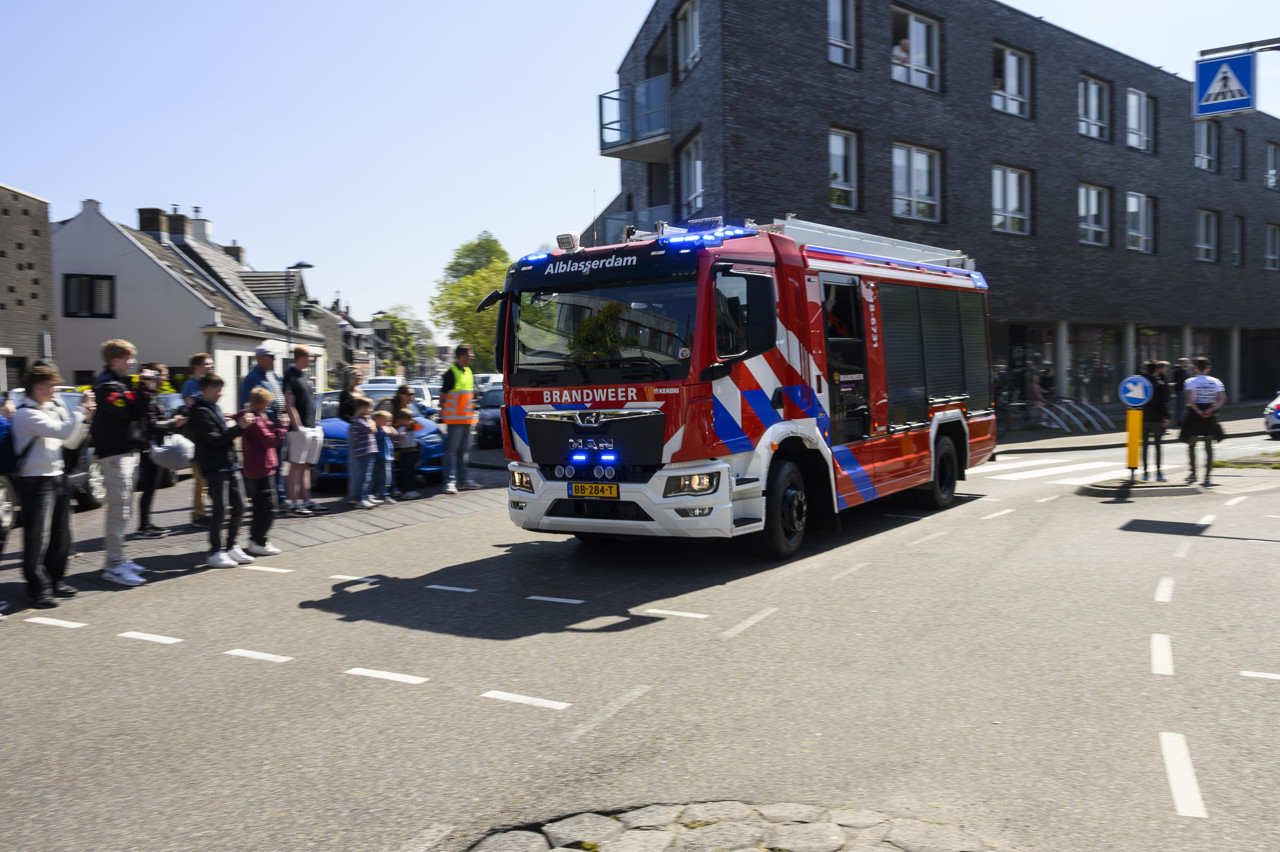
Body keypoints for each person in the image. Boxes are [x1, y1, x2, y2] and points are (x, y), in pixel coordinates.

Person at [11, 365, 94, 608]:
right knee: (37, 537)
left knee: (61, 535)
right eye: (47, 386)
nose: (52, 390)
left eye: (52, 385)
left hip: (56, 476)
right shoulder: (27, 413)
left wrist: (85, 418)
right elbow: (62, 430)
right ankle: (37, 590)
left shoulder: (46, 408)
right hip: (35, 480)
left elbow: (69, 440)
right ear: (35, 388)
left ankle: (55, 581)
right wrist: (80, 409)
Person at [91, 338, 156, 587]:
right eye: (130, 358)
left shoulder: (120, 383)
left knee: (125, 508)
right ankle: (113, 565)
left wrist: (144, 388)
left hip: (127, 453)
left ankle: (118, 558)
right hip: (115, 455)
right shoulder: (107, 387)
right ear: (116, 360)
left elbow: (140, 410)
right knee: (119, 509)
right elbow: (131, 411)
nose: (134, 362)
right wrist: (145, 388)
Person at [189, 373, 255, 568]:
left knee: (241, 505)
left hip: (229, 463)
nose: (221, 393)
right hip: (214, 466)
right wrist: (239, 427)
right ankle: (214, 551)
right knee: (220, 509)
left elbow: (223, 434)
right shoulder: (199, 411)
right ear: (207, 389)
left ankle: (231, 545)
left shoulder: (213, 407)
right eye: (218, 389)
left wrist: (238, 426)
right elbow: (214, 439)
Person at [136, 363, 186, 538]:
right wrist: (174, 422)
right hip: (149, 448)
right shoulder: (146, 396)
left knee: (151, 488)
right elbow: (151, 425)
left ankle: (146, 523)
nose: (166, 378)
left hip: (154, 446)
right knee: (149, 488)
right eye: (163, 375)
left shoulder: (152, 395)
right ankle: (143, 527)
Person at [241, 387, 289, 557]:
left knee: (259, 508)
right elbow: (270, 440)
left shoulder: (252, 416)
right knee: (269, 508)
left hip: (257, 468)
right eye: (268, 401)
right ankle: (259, 541)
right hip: (261, 469)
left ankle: (256, 540)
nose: (270, 404)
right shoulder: (256, 420)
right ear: (261, 403)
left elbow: (241, 414)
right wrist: (282, 428)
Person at [283, 346, 326, 517]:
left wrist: (314, 423)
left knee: (305, 466)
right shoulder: (290, 376)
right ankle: (294, 503)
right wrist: (297, 426)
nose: (313, 358)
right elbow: (289, 404)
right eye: (310, 356)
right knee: (296, 465)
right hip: (299, 430)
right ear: (301, 357)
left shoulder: (305, 375)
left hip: (310, 426)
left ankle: (306, 500)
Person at [1178, 357, 1226, 487]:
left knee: (1191, 445)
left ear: (1195, 368)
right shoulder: (1216, 381)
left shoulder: (1190, 381)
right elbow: (1222, 399)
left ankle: (1193, 473)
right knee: (1208, 446)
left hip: (1194, 415)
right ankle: (1208, 475)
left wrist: (1198, 411)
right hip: (1209, 414)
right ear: (1208, 368)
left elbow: (1188, 400)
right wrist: (1210, 409)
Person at [440, 344, 481, 494]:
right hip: (455, 420)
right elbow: (442, 398)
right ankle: (449, 482)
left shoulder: (469, 372)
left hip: (467, 420)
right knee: (451, 452)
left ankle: (463, 481)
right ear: (462, 356)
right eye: (470, 354)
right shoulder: (451, 373)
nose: (472, 356)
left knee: (463, 452)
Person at [181, 352, 214, 526]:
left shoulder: (209, 382)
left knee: (208, 478)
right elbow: (190, 408)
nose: (211, 366)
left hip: (209, 436)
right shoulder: (190, 385)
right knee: (200, 478)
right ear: (197, 366)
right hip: (196, 437)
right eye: (207, 364)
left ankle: (205, 511)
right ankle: (198, 515)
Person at [1140, 360, 1170, 482]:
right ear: (1156, 370)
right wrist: (1166, 417)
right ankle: (1159, 473)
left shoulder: (1139, 383)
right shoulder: (1159, 384)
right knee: (1158, 447)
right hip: (1157, 419)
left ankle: (1145, 473)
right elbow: (1162, 403)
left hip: (1143, 418)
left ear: (1146, 370)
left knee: (1145, 447)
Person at [347, 397, 378, 509]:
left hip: (368, 451)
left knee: (367, 477)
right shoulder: (358, 421)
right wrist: (371, 420)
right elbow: (372, 429)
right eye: (369, 408)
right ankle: (358, 499)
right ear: (362, 408)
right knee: (362, 477)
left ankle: (365, 496)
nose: (371, 411)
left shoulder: (362, 420)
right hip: (363, 453)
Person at [393, 407, 422, 500]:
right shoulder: (402, 428)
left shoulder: (412, 427)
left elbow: (420, 428)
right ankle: (406, 491)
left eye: (411, 419)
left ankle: (411, 489)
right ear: (401, 420)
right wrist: (404, 428)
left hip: (413, 452)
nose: (410, 421)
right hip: (405, 453)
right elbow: (398, 436)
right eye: (407, 420)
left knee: (411, 472)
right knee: (405, 473)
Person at [370, 410, 397, 505]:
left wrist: (389, 427)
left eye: (389, 421)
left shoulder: (386, 431)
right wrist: (385, 430)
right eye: (385, 421)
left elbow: (395, 433)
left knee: (387, 478)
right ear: (377, 420)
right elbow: (380, 435)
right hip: (380, 458)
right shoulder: (378, 432)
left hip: (387, 458)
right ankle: (382, 495)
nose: (387, 423)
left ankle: (383, 494)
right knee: (382, 478)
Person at [1170, 357, 1190, 427]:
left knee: (1181, 406)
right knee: (1180, 406)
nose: (1187, 364)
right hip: (1181, 390)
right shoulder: (1179, 371)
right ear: (1182, 363)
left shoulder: (1181, 370)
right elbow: (1180, 381)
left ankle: (1180, 420)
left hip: (1181, 390)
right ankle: (1180, 421)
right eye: (1186, 362)